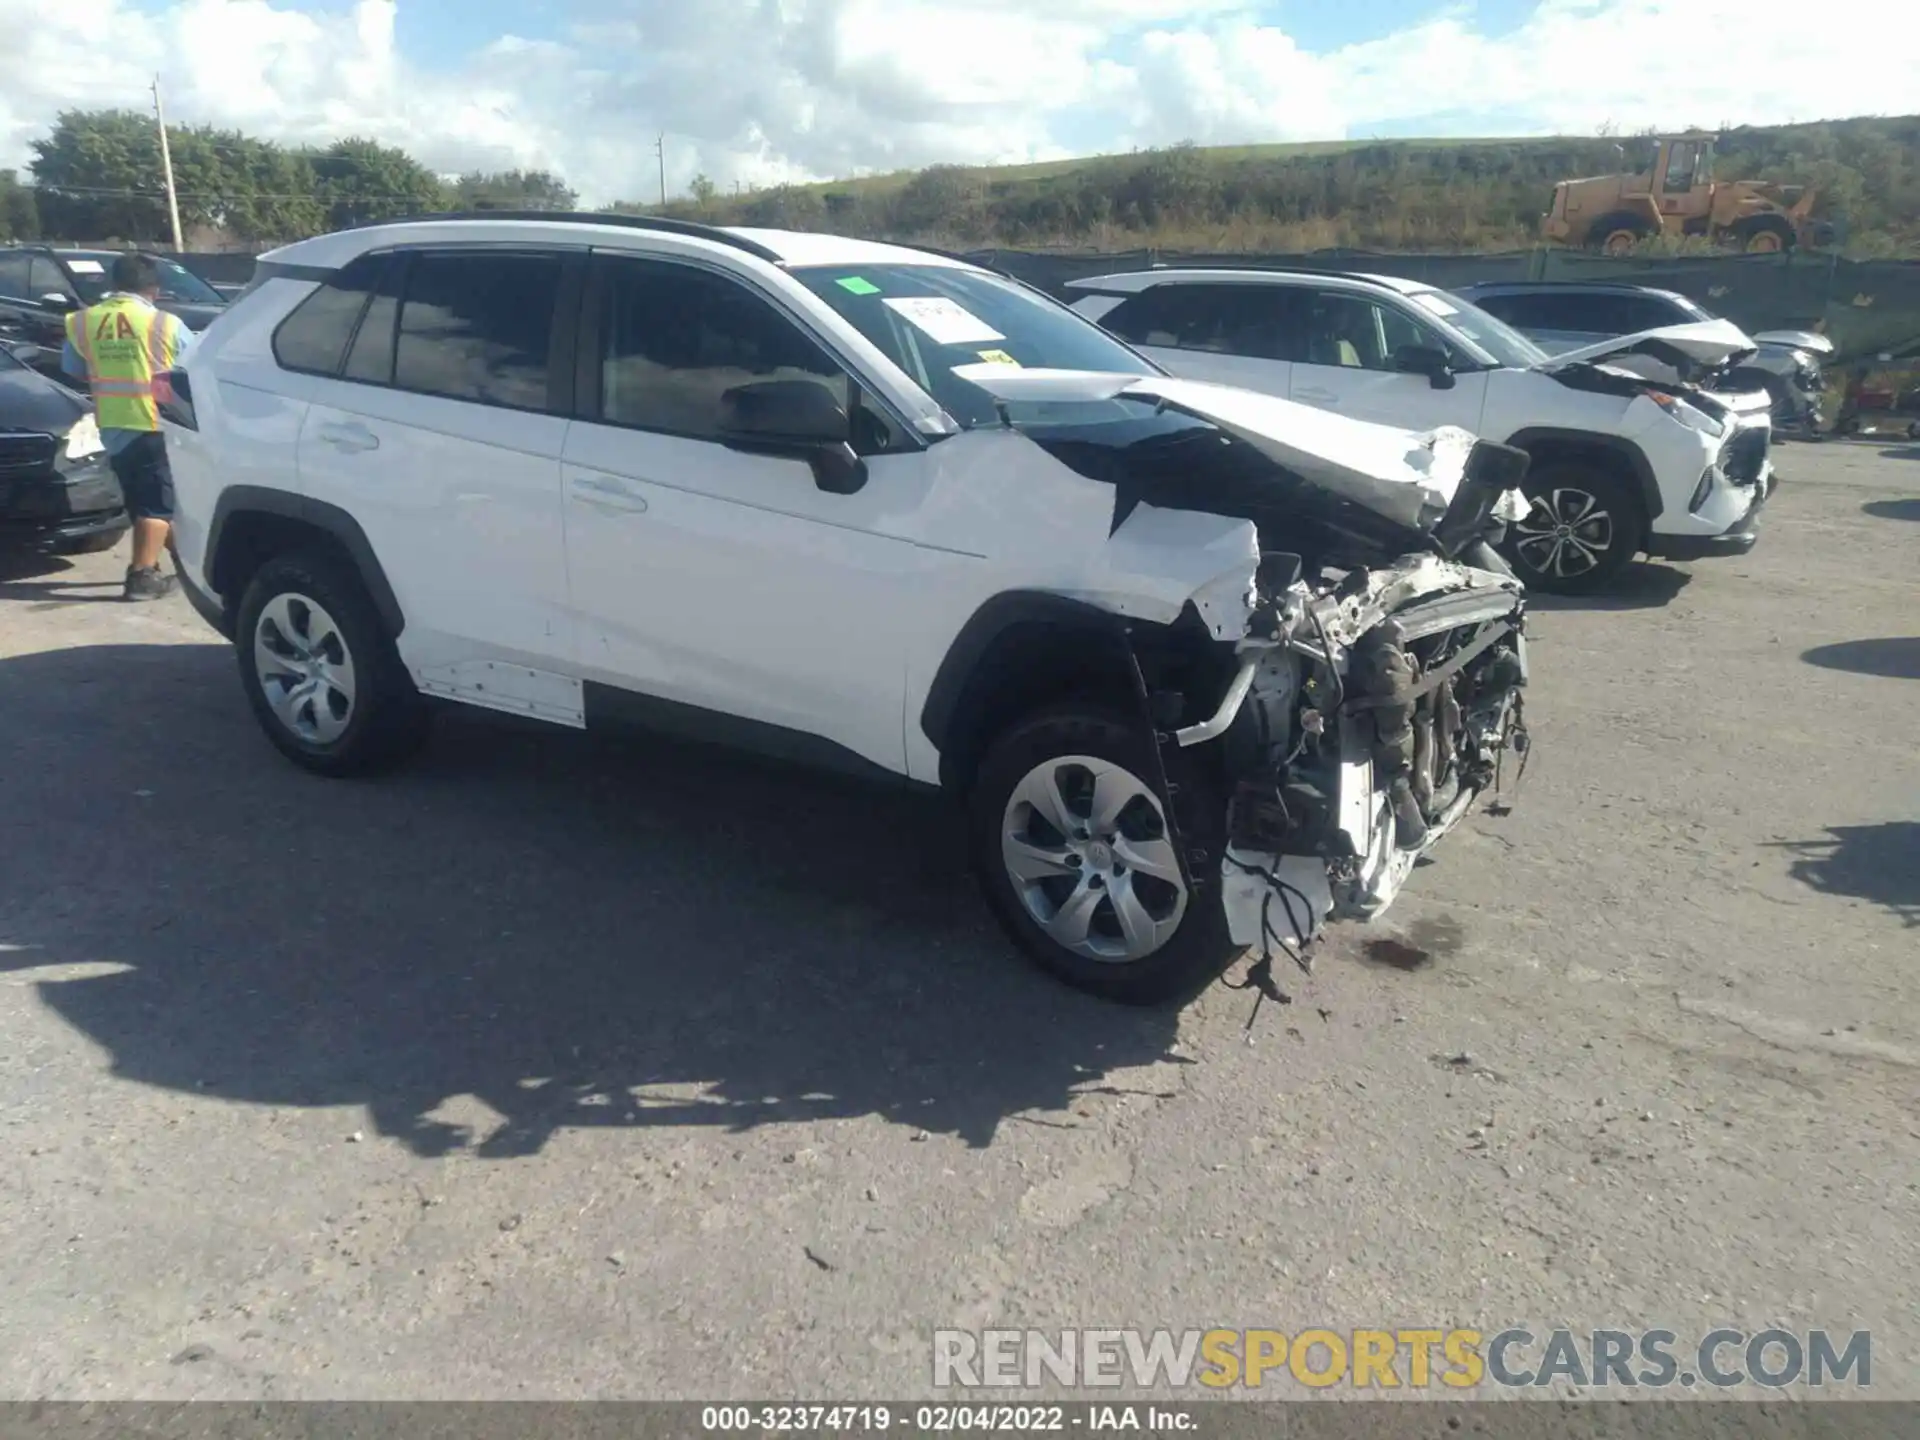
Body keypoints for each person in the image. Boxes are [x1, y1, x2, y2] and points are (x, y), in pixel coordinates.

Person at [61, 252, 196, 601]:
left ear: (114, 284)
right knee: (157, 505)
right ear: (153, 287)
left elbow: (73, 368)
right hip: (154, 423)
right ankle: (141, 577)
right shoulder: (165, 323)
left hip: (112, 424)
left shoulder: (82, 322)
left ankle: (190, 563)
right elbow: (192, 369)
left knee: (143, 502)